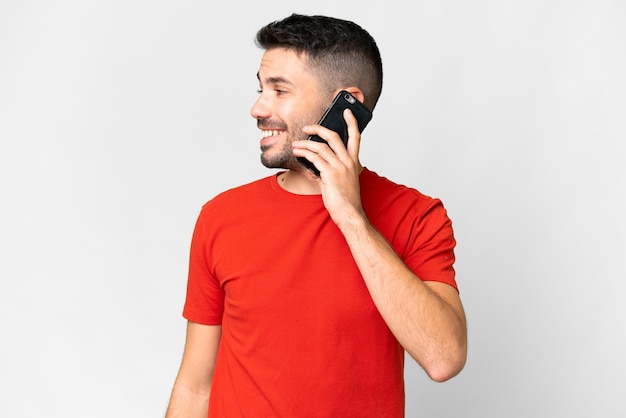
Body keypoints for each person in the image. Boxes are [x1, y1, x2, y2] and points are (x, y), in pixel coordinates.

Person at [166, 14, 467, 418]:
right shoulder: (221, 217)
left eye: (280, 91)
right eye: (261, 89)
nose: (258, 107)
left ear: (346, 106)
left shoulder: (417, 216)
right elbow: (195, 386)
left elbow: (443, 357)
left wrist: (352, 219)